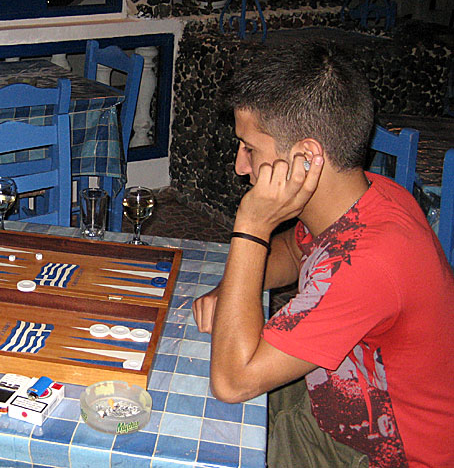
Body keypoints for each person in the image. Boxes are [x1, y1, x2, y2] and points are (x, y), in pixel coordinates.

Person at [192, 40, 454, 468]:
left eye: (250, 148)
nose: (241, 166)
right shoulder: (371, 194)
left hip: (385, 454)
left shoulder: (369, 259)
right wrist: (233, 286)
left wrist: (251, 227)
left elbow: (233, 381)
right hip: (339, 402)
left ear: (306, 157)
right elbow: (297, 254)